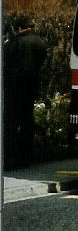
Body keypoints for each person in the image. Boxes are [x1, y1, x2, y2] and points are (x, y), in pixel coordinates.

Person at [2, 18, 48, 168]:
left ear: (19, 28)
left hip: (14, 88)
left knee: (10, 123)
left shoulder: (13, 43)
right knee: (27, 121)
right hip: (31, 87)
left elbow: (6, 63)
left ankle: (10, 158)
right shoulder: (40, 43)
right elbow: (40, 64)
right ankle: (26, 158)